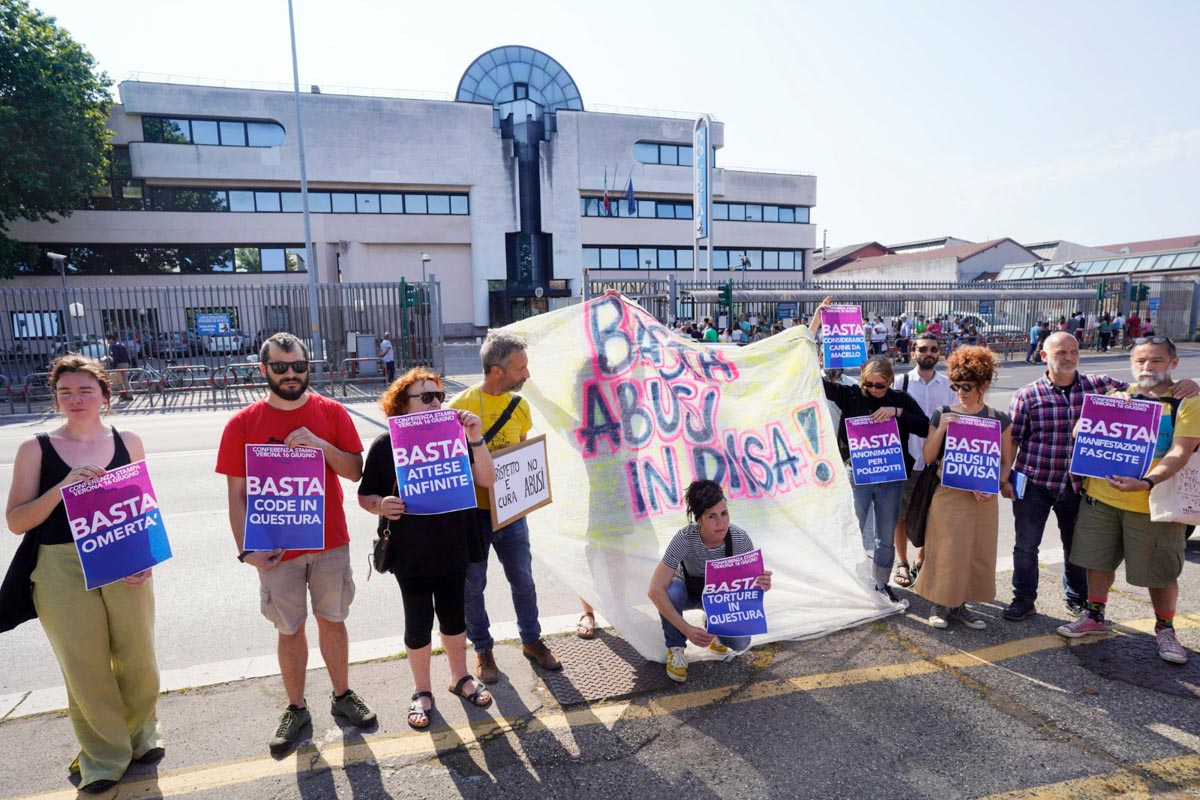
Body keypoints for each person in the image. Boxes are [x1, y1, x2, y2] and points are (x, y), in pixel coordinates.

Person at [5, 357, 161, 794]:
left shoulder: (128, 440)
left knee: (138, 659)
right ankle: (105, 756)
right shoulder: (36, 448)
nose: (75, 399)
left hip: (121, 555)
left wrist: (146, 555)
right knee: (86, 668)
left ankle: (141, 734)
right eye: (65, 392)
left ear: (105, 397)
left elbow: (144, 507)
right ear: (55, 397)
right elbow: (17, 521)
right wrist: (63, 487)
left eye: (85, 391)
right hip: (59, 565)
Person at [216, 332, 376, 755]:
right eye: (281, 367)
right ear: (263, 369)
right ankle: (296, 707)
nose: (291, 374)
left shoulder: (332, 412)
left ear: (309, 367)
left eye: (298, 366)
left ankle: (342, 696)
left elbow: (355, 471)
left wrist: (321, 445)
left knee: (333, 621)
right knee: (290, 629)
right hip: (275, 548)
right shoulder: (242, 423)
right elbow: (236, 495)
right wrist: (245, 550)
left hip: (330, 542)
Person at [358, 368, 495, 728]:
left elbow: (487, 479)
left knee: (453, 617)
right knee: (417, 621)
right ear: (402, 404)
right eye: (427, 396)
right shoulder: (385, 444)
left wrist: (476, 437)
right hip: (410, 549)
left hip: (453, 543)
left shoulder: (457, 436)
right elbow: (364, 495)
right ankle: (422, 691)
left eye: (439, 396)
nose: (436, 402)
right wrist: (380, 504)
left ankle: (461, 677)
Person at [1058, 337, 1200, 664]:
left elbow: (1181, 450)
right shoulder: (1116, 395)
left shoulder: (1186, 401)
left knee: (1161, 573)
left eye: (1157, 361)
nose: (1148, 367)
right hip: (1101, 499)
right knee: (1097, 561)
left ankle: (1165, 629)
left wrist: (1147, 482)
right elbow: (1082, 432)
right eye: (1141, 361)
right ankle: (1095, 615)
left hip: (1152, 503)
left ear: (1173, 363)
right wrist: (1104, 409)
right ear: (1132, 363)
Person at [448, 331, 561, 683]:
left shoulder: (520, 406)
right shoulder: (458, 408)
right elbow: (449, 465)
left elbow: (523, 452)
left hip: (511, 514)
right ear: (498, 370)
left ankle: (532, 640)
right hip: (473, 515)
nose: (525, 375)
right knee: (472, 587)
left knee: (523, 581)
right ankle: (483, 650)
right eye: (520, 368)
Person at [812, 299, 928, 603]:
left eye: (879, 385)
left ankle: (880, 585)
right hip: (858, 475)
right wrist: (816, 323)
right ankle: (847, 585)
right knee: (852, 532)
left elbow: (928, 428)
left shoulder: (900, 399)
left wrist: (897, 413)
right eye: (869, 384)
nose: (873, 389)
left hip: (890, 478)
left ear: (889, 382)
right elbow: (812, 375)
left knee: (884, 536)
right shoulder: (851, 395)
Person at [915, 346, 1014, 629]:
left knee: (974, 552)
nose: (960, 391)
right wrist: (944, 427)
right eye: (955, 385)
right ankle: (939, 604)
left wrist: (996, 483)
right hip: (948, 495)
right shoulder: (943, 413)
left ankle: (960, 606)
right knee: (945, 550)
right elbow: (928, 456)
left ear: (983, 384)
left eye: (966, 385)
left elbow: (1006, 462)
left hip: (983, 498)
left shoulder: (999, 419)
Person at [648, 480, 772, 683]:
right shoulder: (684, 539)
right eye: (711, 516)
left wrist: (762, 586)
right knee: (670, 591)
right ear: (698, 520)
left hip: (719, 598)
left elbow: (748, 592)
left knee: (741, 643)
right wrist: (686, 629)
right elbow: (654, 590)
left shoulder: (739, 539)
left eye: (724, 514)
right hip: (688, 590)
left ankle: (714, 627)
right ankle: (676, 648)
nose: (721, 523)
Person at [891, 332, 956, 588]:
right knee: (901, 516)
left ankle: (922, 558)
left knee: (933, 515)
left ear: (938, 353)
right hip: (906, 461)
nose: (929, 353)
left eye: (933, 349)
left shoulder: (950, 386)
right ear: (913, 352)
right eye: (923, 349)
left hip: (935, 465)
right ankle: (902, 563)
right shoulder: (900, 382)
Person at [105, 333, 132, 402]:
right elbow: (126, 355)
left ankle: (125, 393)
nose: (107, 342)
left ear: (111, 339)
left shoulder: (114, 346)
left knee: (117, 379)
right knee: (123, 379)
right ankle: (127, 393)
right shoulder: (121, 344)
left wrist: (113, 366)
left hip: (120, 364)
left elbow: (116, 357)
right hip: (125, 363)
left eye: (108, 340)